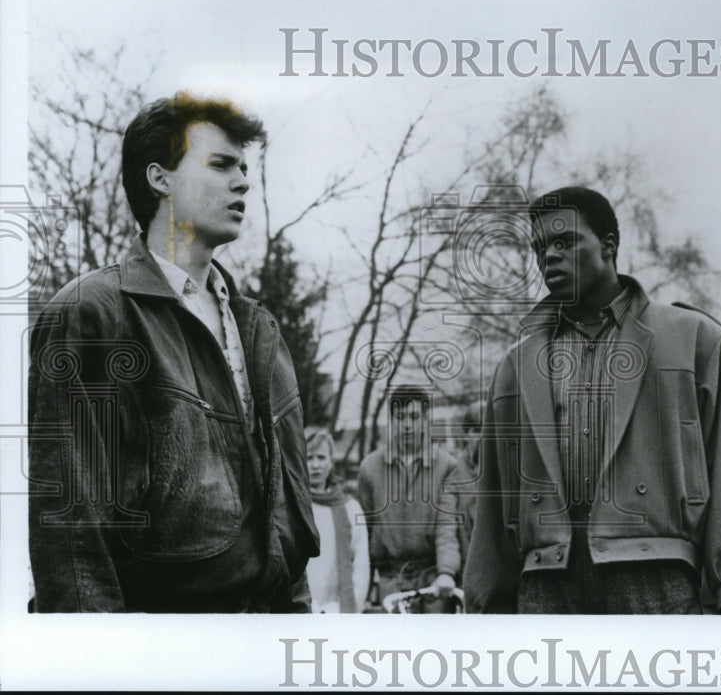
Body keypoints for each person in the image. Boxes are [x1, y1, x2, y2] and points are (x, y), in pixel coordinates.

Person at [27, 92, 320, 612]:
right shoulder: (95, 314)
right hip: (159, 645)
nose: (243, 181)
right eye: (221, 164)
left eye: (245, 167)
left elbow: (284, 511)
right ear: (160, 179)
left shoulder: (258, 329)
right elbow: (74, 538)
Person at [464, 186, 721, 614]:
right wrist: (486, 606)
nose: (549, 256)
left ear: (609, 246)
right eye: (540, 247)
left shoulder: (693, 338)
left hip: (656, 578)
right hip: (546, 587)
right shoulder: (516, 365)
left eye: (565, 241)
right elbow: (493, 499)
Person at [357, 384, 462, 612]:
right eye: (400, 417)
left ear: (425, 419)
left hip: (433, 581)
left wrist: (446, 572)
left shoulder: (446, 466)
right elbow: (364, 531)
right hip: (390, 581)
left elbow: (447, 525)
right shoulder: (370, 468)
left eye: (414, 417)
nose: (407, 425)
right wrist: (364, 589)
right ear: (392, 420)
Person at [304, 426, 369, 613]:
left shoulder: (350, 508)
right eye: (309, 458)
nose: (315, 465)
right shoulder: (292, 508)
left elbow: (361, 566)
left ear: (331, 462)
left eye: (321, 457)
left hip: (338, 611)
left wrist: (340, 609)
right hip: (301, 610)